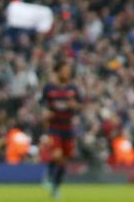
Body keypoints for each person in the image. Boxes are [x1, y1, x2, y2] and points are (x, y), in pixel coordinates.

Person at [39, 61, 81, 199]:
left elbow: (80, 106)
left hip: (68, 128)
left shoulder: (73, 89)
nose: (66, 73)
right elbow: (41, 104)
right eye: (64, 70)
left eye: (68, 71)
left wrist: (75, 106)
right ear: (58, 71)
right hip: (54, 128)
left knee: (63, 160)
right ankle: (49, 177)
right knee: (57, 155)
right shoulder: (49, 88)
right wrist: (44, 112)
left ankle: (55, 187)